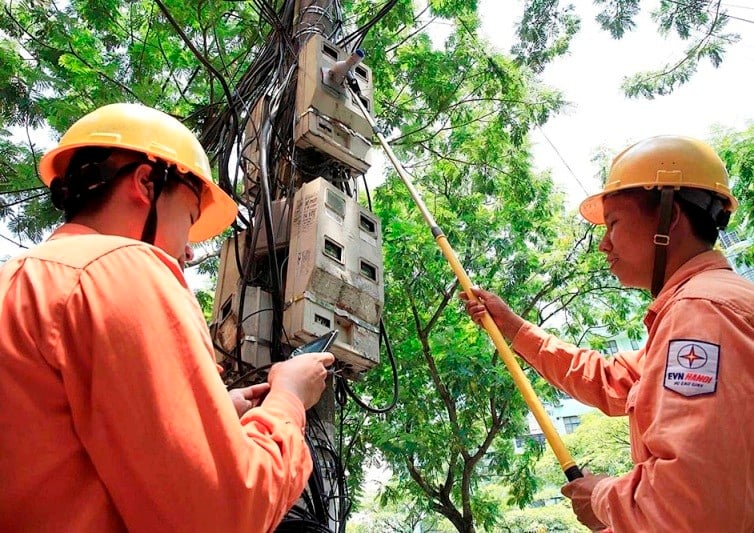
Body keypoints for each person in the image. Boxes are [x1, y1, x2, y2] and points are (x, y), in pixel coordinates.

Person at [0, 103, 334, 532]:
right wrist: (288, 398)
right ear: (145, 183)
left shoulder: (20, 280)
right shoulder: (124, 269)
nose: (191, 250)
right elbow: (226, 514)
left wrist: (211, 414)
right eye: (190, 219)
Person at [461, 135, 754, 532]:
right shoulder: (701, 308)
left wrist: (602, 499)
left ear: (669, 218)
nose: (603, 244)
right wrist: (513, 327)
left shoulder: (702, 313)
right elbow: (611, 379)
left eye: (613, 223)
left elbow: (693, 503)